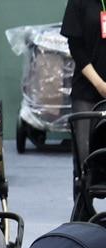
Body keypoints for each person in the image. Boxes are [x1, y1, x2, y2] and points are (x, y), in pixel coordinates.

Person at [62, 0, 106, 171]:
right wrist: (100, 84)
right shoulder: (78, 2)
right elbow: (76, 47)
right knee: (84, 160)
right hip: (86, 90)